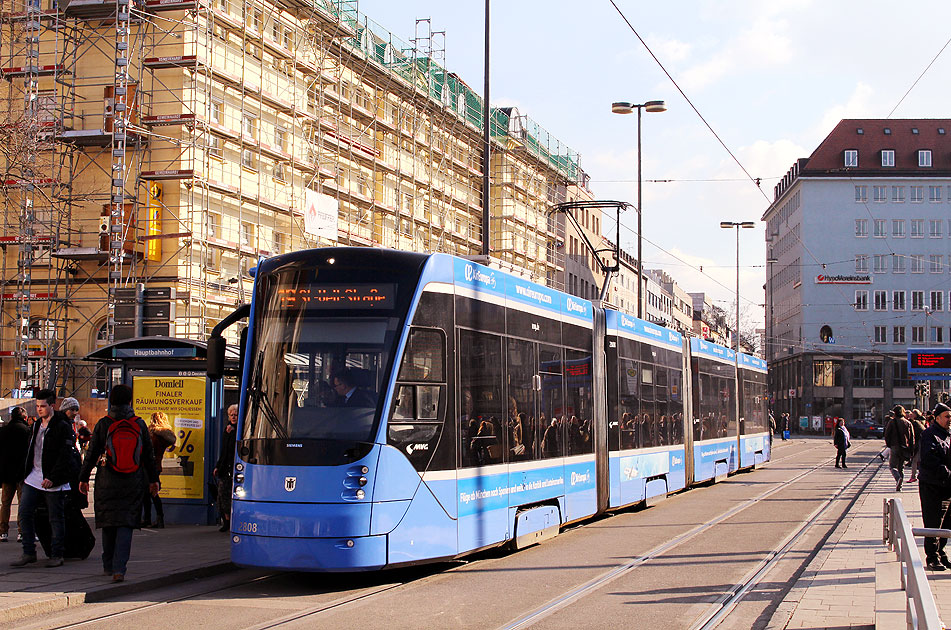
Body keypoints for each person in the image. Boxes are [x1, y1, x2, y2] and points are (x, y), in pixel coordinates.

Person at [79, 384, 159, 582]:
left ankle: (107, 564)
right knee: (126, 524)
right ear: (130, 401)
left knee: (108, 522)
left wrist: (83, 477)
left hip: (107, 479)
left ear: (111, 401)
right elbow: (148, 456)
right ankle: (119, 569)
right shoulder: (139, 424)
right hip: (133, 480)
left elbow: (91, 454)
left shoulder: (103, 424)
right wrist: (154, 480)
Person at [10, 390, 78, 568]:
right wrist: (23, 474)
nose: (39, 410)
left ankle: (57, 554)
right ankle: (28, 552)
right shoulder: (35, 426)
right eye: (37, 406)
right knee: (24, 513)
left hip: (53, 480)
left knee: (55, 517)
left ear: (52, 406)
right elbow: (30, 451)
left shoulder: (62, 426)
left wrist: (53, 477)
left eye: (43, 406)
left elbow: (65, 455)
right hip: (33, 476)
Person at [917, 402, 951, 571]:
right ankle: (932, 557)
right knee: (933, 522)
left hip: (947, 487)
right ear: (937, 418)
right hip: (932, 485)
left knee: (946, 523)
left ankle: (941, 552)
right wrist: (946, 472)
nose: (950, 419)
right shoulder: (930, 434)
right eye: (947, 416)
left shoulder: (948, 434)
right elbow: (929, 458)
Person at [0, 407, 30, 543]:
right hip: (22, 473)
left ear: (11, 417)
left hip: (6, 473)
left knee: (5, 503)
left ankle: (3, 532)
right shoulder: (27, 431)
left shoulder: (3, 431)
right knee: (22, 504)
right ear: (24, 417)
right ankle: (21, 531)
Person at [143, 411, 176, 528]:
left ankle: (151, 518)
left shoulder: (153, 435)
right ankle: (157, 518)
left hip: (148, 465)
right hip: (157, 465)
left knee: (150, 493)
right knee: (150, 492)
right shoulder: (164, 436)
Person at [213, 404, 238, 532]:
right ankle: (226, 520)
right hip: (225, 467)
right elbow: (224, 450)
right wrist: (218, 466)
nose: (233, 417)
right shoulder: (227, 430)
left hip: (233, 467)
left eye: (235, 415)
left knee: (227, 495)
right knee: (221, 496)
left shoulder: (238, 430)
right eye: (231, 415)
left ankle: (229, 521)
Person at [884, 405, 915, 492]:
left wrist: (889, 444)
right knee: (901, 467)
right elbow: (912, 437)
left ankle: (898, 478)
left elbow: (887, 434)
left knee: (892, 466)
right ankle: (900, 485)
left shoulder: (892, 422)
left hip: (894, 446)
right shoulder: (908, 423)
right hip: (904, 447)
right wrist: (911, 450)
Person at [908, 409, 928, 483]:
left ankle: (913, 476)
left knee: (915, 460)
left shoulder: (915, 423)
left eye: (912, 414)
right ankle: (915, 476)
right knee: (917, 460)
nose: (910, 415)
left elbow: (913, 435)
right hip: (921, 442)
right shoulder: (918, 422)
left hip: (919, 443)